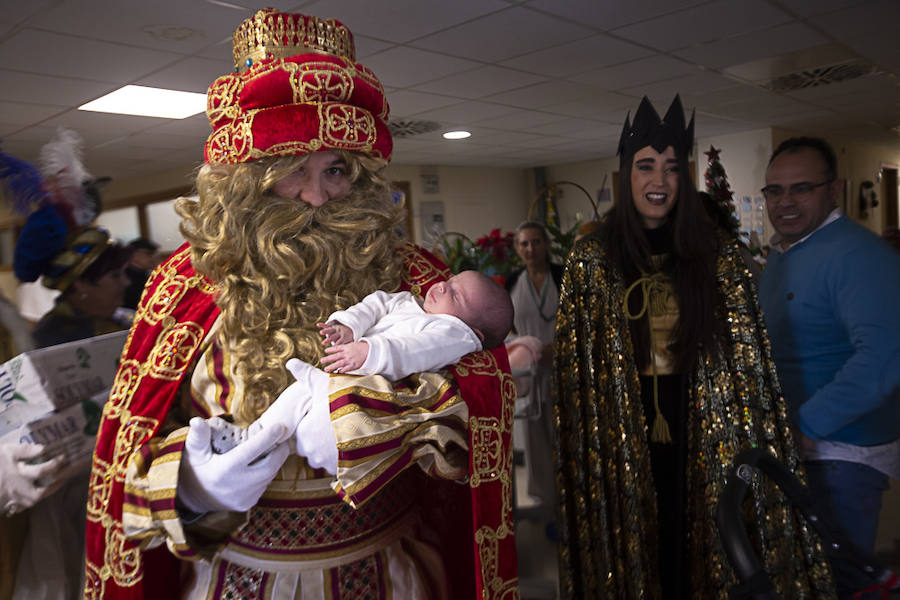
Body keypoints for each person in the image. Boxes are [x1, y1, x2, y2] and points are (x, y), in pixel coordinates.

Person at [83, 9, 517, 600]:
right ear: (246, 177)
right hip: (234, 577)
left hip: (387, 572)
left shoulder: (417, 274)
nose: (314, 197)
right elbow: (123, 463)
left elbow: (481, 418)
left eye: (336, 170)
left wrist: (398, 416)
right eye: (290, 171)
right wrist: (191, 486)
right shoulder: (186, 283)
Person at [552, 96, 835, 599]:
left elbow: (744, 361)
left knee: (705, 540)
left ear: (684, 178)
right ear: (627, 173)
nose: (658, 180)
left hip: (702, 423)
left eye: (670, 168)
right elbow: (581, 376)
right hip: (621, 425)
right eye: (645, 166)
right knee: (639, 539)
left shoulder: (716, 254)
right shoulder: (592, 258)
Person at [758, 136, 900, 597]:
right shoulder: (786, 255)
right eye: (775, 192)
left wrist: (804, 426)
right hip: (802, 452)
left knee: (835, 586)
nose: (786, 203)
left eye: (802, 188)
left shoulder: (858, 255)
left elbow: (881, 361)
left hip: (841, 456)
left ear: (834, 190)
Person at [209, 270, 514, 455]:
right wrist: (349, 325)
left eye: (457, 297)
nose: (443, 286)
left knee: (316, 414)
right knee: (297, 396)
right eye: (450, 280)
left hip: (373, 390)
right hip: (350, 372)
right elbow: (376, 302)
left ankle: (266, 444)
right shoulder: (411, 303)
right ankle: (254, 437)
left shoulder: (453, 334)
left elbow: (415, 350)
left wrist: (370, 351)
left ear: (473, 330)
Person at [504, 221, 562, 511]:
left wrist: (557, 348)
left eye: (536, 242)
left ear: (547, 245)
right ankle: (546, 503)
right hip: (529, 372)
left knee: (565, 432)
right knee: (535, 437)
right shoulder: (513, 281)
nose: (530, 249)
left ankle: (571, 499)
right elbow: (505, 325)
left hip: (562, 366)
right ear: (517, 248)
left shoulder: (562, 276)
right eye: (524, 243)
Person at [122, 237, 160, 310]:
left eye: (155, 254)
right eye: (149, 254)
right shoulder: (125, 277)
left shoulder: (143, 274)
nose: (154, 258)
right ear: (133, 254)